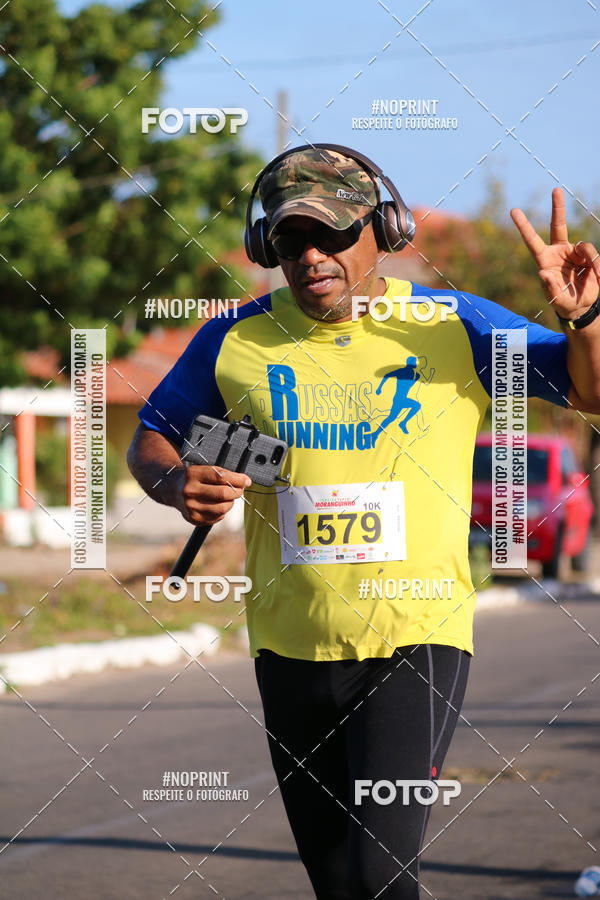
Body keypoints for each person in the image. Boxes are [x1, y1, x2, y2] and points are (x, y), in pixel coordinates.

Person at [127, 144, 600, 899]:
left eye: (335, 234)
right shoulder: (234, 339)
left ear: (387, 229)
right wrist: (177, 480)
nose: (312, 255)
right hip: (288, 644)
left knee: (380, 875)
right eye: (290, 240)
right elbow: (151, 434)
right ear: (265, 247)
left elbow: (589, 391)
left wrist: (584, 318)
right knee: (339, 882)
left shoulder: (453, 325)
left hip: (414, 638)